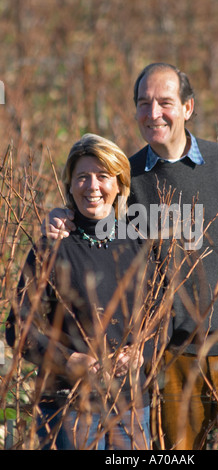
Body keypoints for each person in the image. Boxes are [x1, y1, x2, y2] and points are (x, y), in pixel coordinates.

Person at [39, 63, 218, 450]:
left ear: (188, 108)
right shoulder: (129, 178)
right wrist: (62, 217)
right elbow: (95, 216)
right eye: (144, 103)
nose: (153, 113)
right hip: (173, 362)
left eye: (165, 102)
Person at [6, 133, 165, 450]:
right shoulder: (51, 247)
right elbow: (18, 327)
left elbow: (164, 314)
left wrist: (141, 352)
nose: (92, 187)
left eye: (103, 176)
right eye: (82, 177)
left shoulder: (141, 244)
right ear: (70, 185)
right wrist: (66, 360)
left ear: (119, 184)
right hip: (67, 405)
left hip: (130, 404)